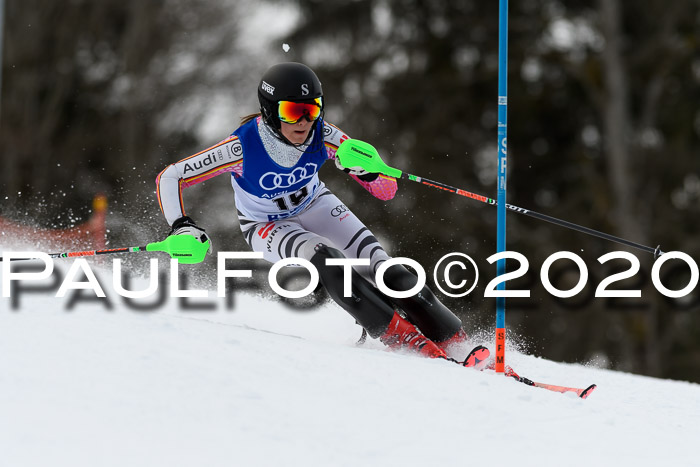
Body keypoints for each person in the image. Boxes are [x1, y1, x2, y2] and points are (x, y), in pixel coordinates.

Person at [156, 62, 477, 363]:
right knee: (326, 259)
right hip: (266, 225)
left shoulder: (325, 135)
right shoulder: (241, 147)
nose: (304, 122)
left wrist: (368, 172)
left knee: (387, 270)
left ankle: (454, 339)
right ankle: (404, 340)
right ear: (270, 111)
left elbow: (387, 191)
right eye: (293, 111)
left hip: (316, 205)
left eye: (312, 109)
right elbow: (171, 176)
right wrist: (181, 225)